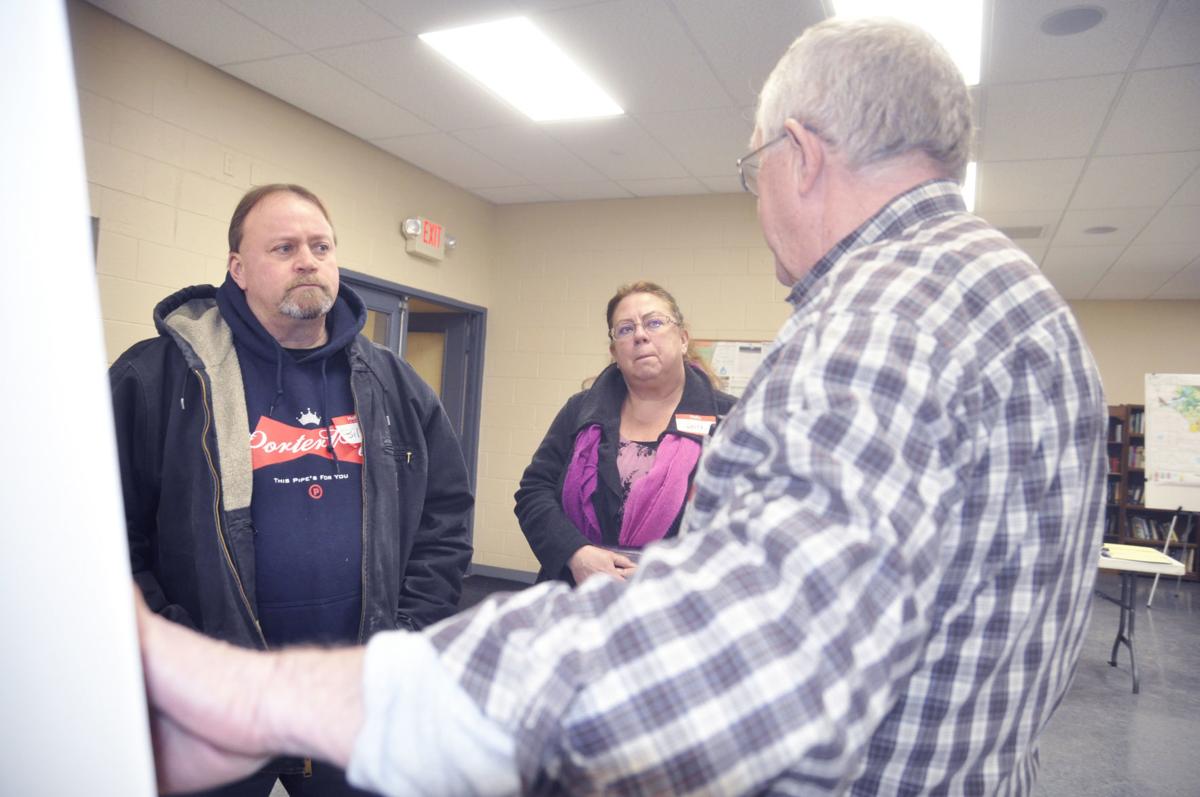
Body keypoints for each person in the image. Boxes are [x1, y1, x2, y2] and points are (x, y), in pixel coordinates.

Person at [135, 18, 1108, 796]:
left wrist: (279, 692)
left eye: (751, 167)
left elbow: (740, 665)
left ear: (801, 156)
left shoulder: (884, 316)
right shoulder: (1014, 300)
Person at [110, 184, 474, 795]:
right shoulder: (156, 378)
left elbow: (445, 517)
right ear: (239, 269)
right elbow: (105, 535)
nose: (307, 259)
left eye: (320, 246)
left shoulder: (393, 384)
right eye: (283, 247)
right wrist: (175, 646)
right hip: (214, 697)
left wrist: (408, 633)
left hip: (355, 692)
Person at [516, 281, 736, 585]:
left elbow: (746, 523)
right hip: (576, 593)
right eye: (625, 329)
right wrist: (575, 553)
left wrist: (670, 572)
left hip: (679, 603)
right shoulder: (580, 412)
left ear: (683, 339)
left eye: (654, 323)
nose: (640, 335)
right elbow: (533, 492)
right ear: (614, 352)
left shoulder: (730, 418)